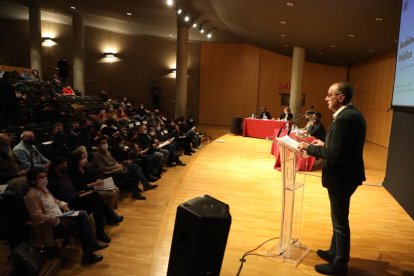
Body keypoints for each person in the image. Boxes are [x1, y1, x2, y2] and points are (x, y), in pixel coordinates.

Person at [298, 82, 366, 275]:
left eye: (330, 95)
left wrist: (309, 148)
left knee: (340, 221)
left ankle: (339, 264)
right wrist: (323, 142)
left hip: (342, 177)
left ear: (340, 97)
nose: (326, 98)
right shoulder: (351, 115)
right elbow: (340, 146)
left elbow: (336, 154)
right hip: (346, 175)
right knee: (338, 218)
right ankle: (333, 252)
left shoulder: (345, 118)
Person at [24, 167, 107, 264]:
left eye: (44, 176)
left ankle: (90, 249)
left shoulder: (44, 189)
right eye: (40, 177)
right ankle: (89, 250)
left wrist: (63, 205)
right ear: (32, 181)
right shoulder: (30, 196)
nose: (44, 179)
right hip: (52, 225)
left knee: (83, 214)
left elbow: (55, 201)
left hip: (62, 217)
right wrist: (58, 220)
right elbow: (37, 216)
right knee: (83, 221)